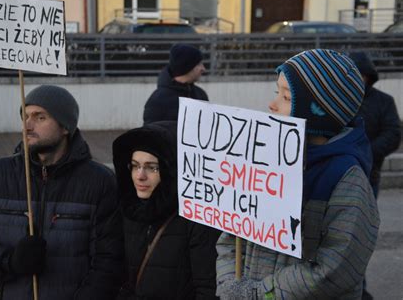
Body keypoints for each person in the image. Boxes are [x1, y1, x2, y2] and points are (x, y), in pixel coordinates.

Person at [216, 49, 380, 299]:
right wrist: (229, 283)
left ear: (318, 110)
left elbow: (336, 269)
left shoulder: (346, 177)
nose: (272, 105)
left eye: (286, 97)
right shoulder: (263, 160)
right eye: (276, 93)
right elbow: (231, 234)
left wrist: (262, 294)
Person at [0, 85, 124, 299]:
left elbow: (109, 263)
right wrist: (10, 261)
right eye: (25, 116)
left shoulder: (99, 181)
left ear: (65, 126)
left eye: (40, 117)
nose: (27, 125)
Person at [112, 121, 219, 299]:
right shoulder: (129, 211)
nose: (140, 176)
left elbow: (208, 288)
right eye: (135, 165)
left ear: (171, 170)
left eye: (152, 168)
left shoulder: (196, 218)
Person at [348, 51, 401, 198]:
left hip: (370, 173)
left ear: (367, 76)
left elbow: (393, 135)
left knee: (366, 218)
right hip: (337, 171)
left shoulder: (384, 101)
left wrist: (366, 151)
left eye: (358, 75)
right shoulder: (338, 99)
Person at [143, 43, 208, 124]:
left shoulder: (201, 95)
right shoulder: (158, 101)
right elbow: (148, 135)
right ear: (186, 66)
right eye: (199, 64)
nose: (203, 68)